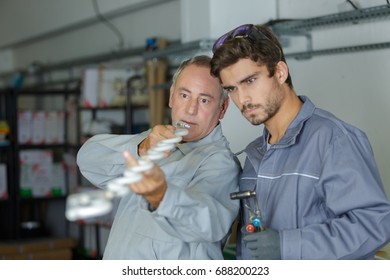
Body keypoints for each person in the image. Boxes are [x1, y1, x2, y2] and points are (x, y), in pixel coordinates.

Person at [210, 24, 390, 260]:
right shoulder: (256, 156)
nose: (242, 98)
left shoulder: (332, 140)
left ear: (280, 72)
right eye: (232, 89)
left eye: (250, 81)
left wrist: (287, 245)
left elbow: (375, 224)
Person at [77, 55, 241, 259]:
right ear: (171, 97)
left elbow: (209, 224)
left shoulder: (220, 163)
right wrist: (141, 149)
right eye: (184, 95)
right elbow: (88, 162)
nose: (191, 109)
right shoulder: (152, 141)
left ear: (222, 109)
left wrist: (162, 196)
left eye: (204, 100)